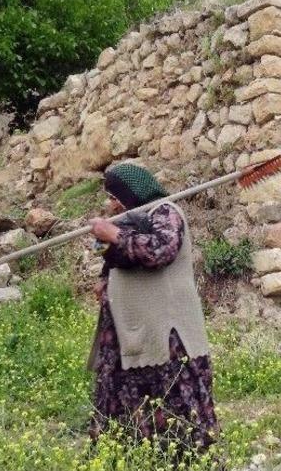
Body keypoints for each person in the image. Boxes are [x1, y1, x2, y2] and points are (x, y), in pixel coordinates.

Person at [86, 161, 220, 463]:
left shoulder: (165, 213)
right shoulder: (129, 220)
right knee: (123, 411)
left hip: (167, 338)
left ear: (130, 194)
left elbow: (160, 250)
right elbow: (112, 256)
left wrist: (114, 235)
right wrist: (105, 275)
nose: (109, 205)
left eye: (113, 198)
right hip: (129, 337)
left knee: (173, 408)